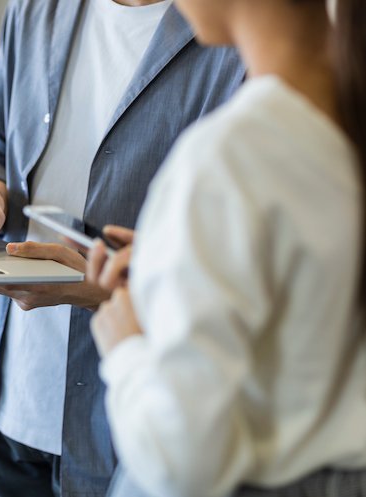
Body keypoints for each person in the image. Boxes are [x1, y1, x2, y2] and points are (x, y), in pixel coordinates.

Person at [0, 0, 245, 495]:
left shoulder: (232, 32)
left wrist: (100, 288)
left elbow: (236, 259)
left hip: (123, 431)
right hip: (4, 407)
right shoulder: (35, 10)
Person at [87, 0, 366, 495]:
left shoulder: (227, 158)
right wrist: (179, 263)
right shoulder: (339, 120)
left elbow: (183, 463)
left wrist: (126, 347)